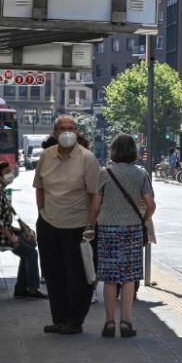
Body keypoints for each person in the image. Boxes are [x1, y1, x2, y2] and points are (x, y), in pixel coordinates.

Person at [33, 116, 100, 335]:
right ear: (54, 133)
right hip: (49, 223)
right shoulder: (46, 156)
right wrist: (42, 213)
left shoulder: (87, 158)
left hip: (78, 226)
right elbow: (40, 187)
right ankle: (59, 319)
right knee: (53, 274)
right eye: (62, 128)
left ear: (78, 132)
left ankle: (74, 321)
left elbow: (94, 195)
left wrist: (90, 224)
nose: (67, 132)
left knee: (78, 277)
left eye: (71, 128)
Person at [87, 134, 156, 339]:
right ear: (133, 151)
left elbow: (96, 205)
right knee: (128, 278)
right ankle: (126, 322)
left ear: (113, 150)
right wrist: (143, 220)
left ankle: (109, 323)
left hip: (107, 230)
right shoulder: (141, 174)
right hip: (132, 231)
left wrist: (90, 225)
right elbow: (151, 205)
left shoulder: (104, 173)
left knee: (109, 278)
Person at [0, 160, 46, 299]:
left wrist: (20, 231)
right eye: (7, 172)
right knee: (31, 253)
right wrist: (12, 238)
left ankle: (21, 289)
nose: (10, 174)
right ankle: (32, 289)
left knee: (28, 250)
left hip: (0, 231)